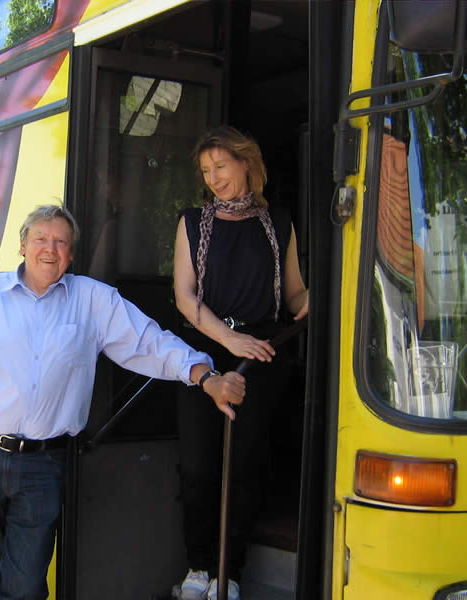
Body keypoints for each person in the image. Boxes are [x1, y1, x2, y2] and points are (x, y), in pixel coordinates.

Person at [0, 204, 246, 600]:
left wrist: (205, 376)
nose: (50, 249)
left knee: (25, 584)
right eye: (40, 239)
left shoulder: (93, 300)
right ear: (23, 246)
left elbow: (151, 343)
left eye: (61, 242)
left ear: (71, 254)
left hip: (42, 465)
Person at [172, 126, 308, 600]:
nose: (213, 178)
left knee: (245, 468)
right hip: (203, 354)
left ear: (246, 163)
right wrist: (231, 339)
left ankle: (228, 573)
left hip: (261, 356)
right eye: (206, 170)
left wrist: (311, 300)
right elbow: (184, 297)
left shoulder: (279, 223)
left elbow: (293, 293)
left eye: (221, 166)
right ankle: (197, 566)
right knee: (198, 468)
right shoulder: (192, 221)